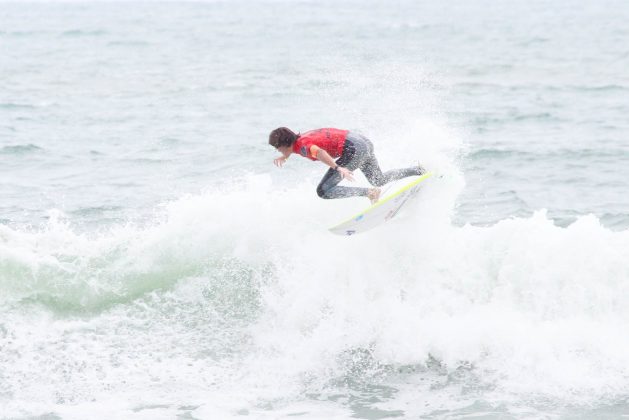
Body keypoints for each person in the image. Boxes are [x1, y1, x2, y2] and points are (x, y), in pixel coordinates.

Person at [269, 127, 425, 203]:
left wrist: (338, 168)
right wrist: (285, 156)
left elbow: (319, 152)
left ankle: (370, 193)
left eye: (277, 147)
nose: (277, 150)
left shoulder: (302, 147)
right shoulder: (300, 140)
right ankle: (418, 170)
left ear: (285, 144)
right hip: (363, 143)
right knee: (378, 179)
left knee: (323, 191)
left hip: (353, 149)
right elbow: (306, 147)